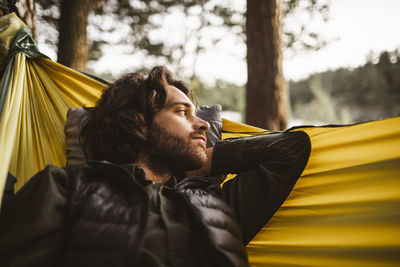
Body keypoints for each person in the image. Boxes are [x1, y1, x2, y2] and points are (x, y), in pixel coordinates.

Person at [0, 66, 311, 267]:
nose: (202, 124)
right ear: (140, 124)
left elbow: (291, 148)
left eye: (197, 114)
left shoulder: (217, 207)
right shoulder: (67, 186)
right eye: (181, 112)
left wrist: (199, 162)